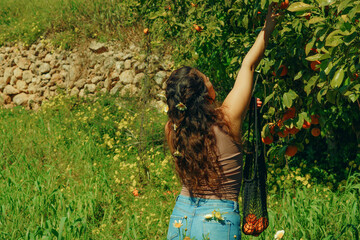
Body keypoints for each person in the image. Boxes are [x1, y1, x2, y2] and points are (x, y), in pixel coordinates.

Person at [165, 3, 279, 240]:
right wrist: (269, 24)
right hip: (217, 221)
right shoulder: (227, 119)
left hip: (181, 216)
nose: (209, 79)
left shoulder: (173, 128)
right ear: (205, 93)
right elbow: (249, 64)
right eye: (206, 78)